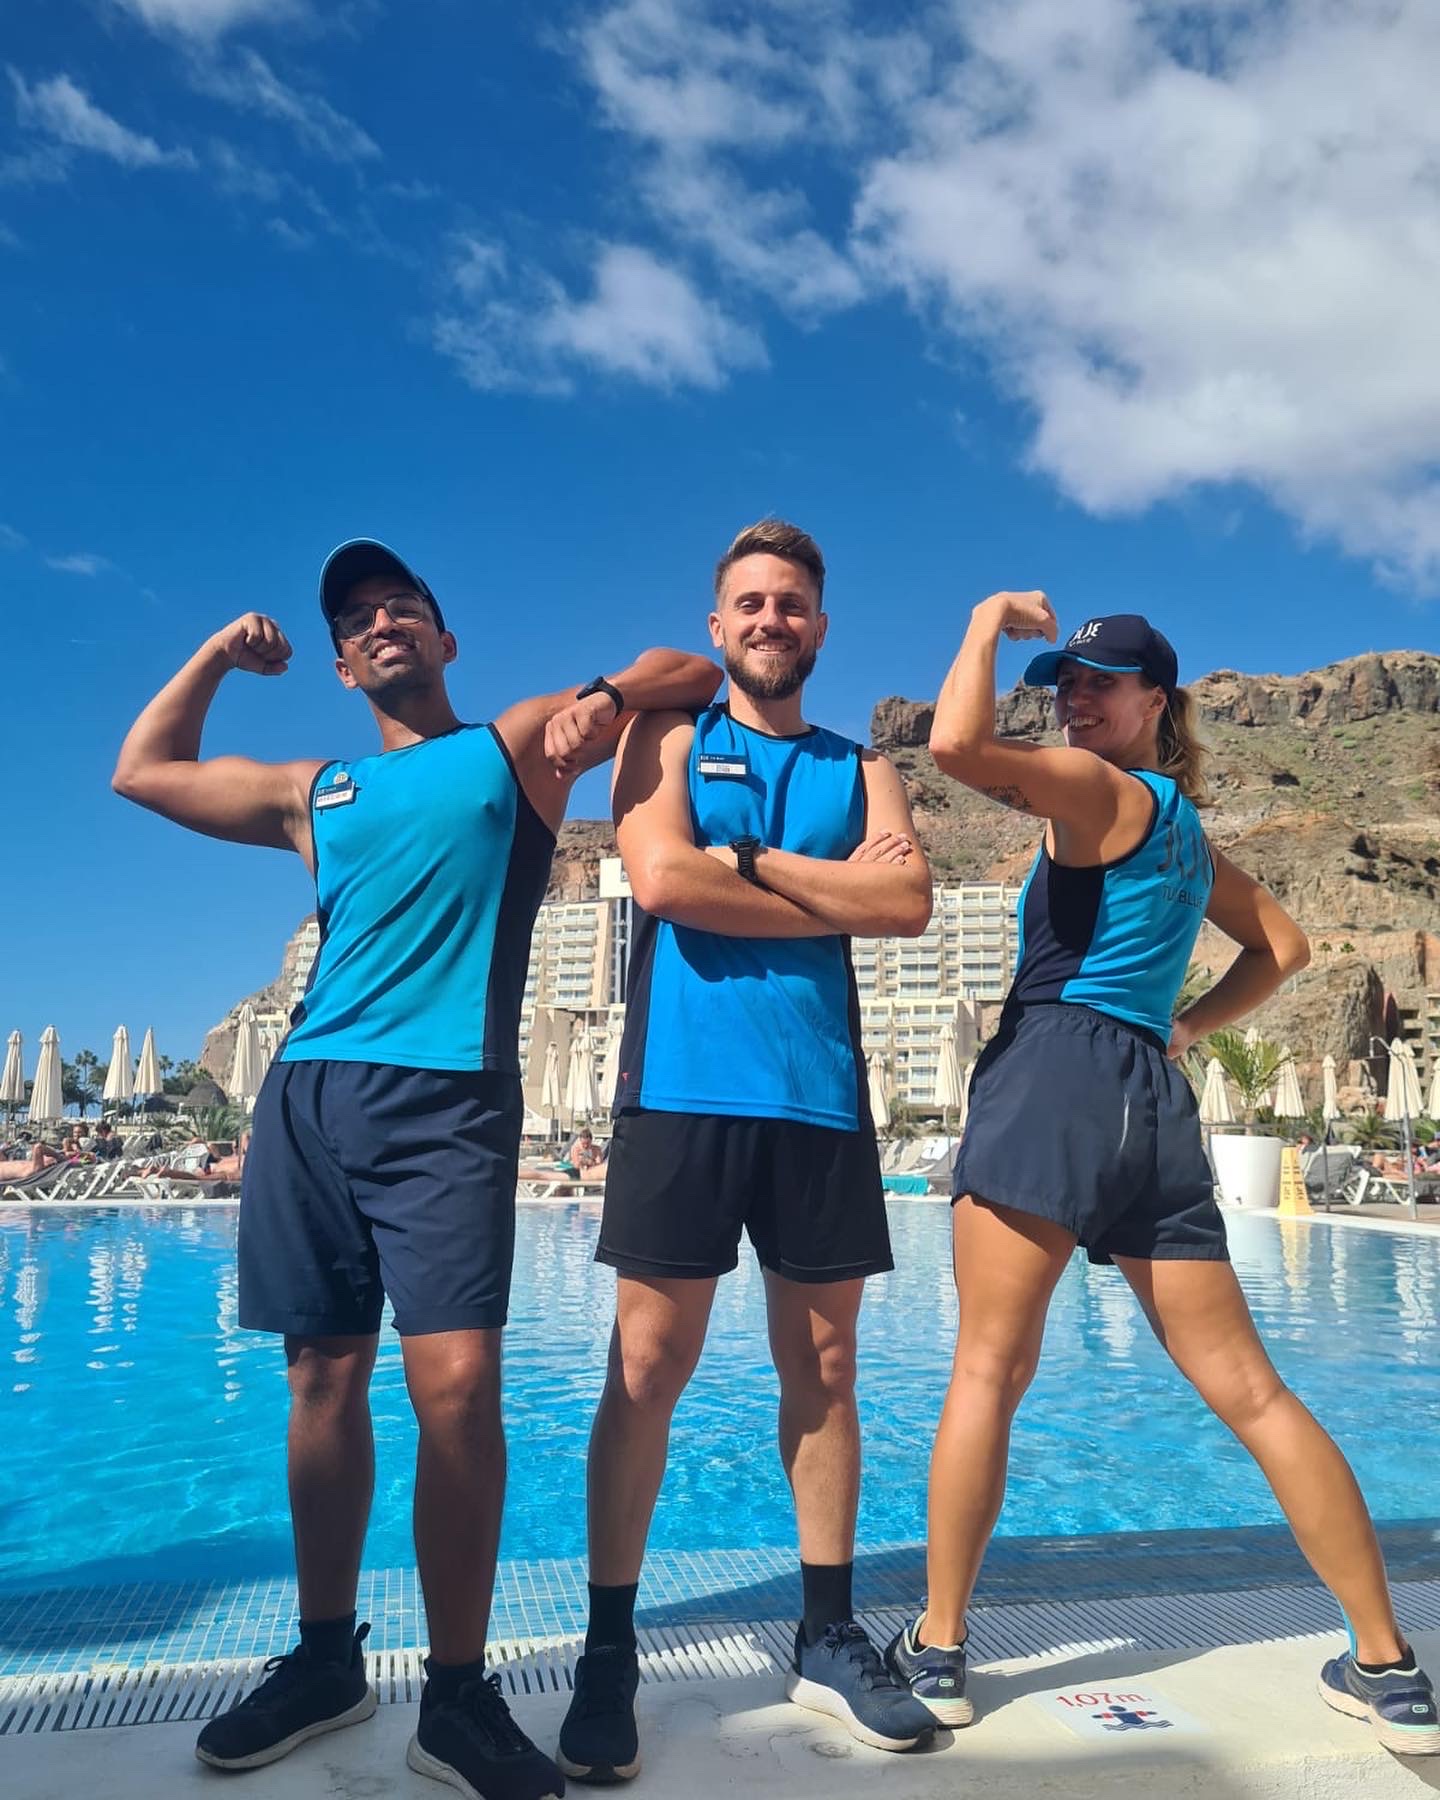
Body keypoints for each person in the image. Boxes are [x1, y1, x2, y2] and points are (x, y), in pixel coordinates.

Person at [113, 537, 719, 1798]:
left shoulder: (513, 749)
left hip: (447, 1102)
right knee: (320, 1382)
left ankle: (454, 1697)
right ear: (340, 664)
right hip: (309, 1100)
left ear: (445, 641)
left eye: (404, 606)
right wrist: (222, 653)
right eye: (357, 618)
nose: (380, 620)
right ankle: (327, 1661)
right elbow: (142, 771)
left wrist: (597, 702)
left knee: (457, 1391)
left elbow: (692, 670)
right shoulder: (312, 790)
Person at [881, 598, 1439, 1758]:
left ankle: (937, 1653)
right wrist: (1185, 1032)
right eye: (1065, 682)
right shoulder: (1187, 832)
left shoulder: (1100, 793)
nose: (1077, 700)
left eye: (1103, 683)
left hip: (1055, 1070)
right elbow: (1281, 947)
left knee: (987, 1366)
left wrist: (985, 622)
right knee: (1253, 1392)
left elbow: (950, 749)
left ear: (1157, 704)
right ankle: (1388, 1666)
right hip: (1149, 1091)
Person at [555, 519, 936, 1783]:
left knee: (824, 1370)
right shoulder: (669, 740)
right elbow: (660, 883)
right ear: (719, 627)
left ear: (821, 627)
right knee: (648, 1367)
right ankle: (611, 1649)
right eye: (749, 605)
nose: (771, 620)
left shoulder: (862, 766)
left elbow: (908, 905)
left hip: (821, 1098)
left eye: (792, 604)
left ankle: (827, 1633)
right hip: (682, 1092)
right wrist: (825, 888)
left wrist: (756, 859)